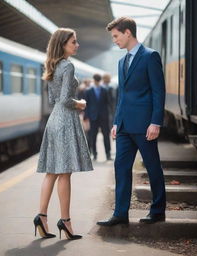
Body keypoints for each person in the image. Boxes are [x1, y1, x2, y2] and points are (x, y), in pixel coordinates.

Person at [97, 17, 166, 226]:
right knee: (121, 168)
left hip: (145, 126)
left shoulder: (150, 56)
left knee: (153, 167)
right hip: (125, 126)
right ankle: (120, 213)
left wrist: (156, 122)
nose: (114, 40)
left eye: (116, 36)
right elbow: (122, 96)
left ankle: (157, 211)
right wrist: (116, 122)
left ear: (128, 33)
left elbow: (158, 91)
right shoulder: (121, 61)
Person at [34, 28, 93, 240]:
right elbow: (67, 100)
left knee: (51, 172)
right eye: (73, 42)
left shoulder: (52, 65)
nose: (77, 45)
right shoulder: (68, 65)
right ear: (63, 44)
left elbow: (53, 99)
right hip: (65, 120)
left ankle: (41, 217)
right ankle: (65, 222)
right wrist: (81, 103)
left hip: (53, 120)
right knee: (65, 172)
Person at [84, 74, 111, 161]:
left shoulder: (105, 90)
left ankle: (108, 154)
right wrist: (86, 116)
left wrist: (109, 114)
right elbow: (86, 105)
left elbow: (109, 103)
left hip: (103, 116)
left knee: (106, 136)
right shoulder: (88, 91)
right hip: (93, 117)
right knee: (93, 136)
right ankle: (94, 154)